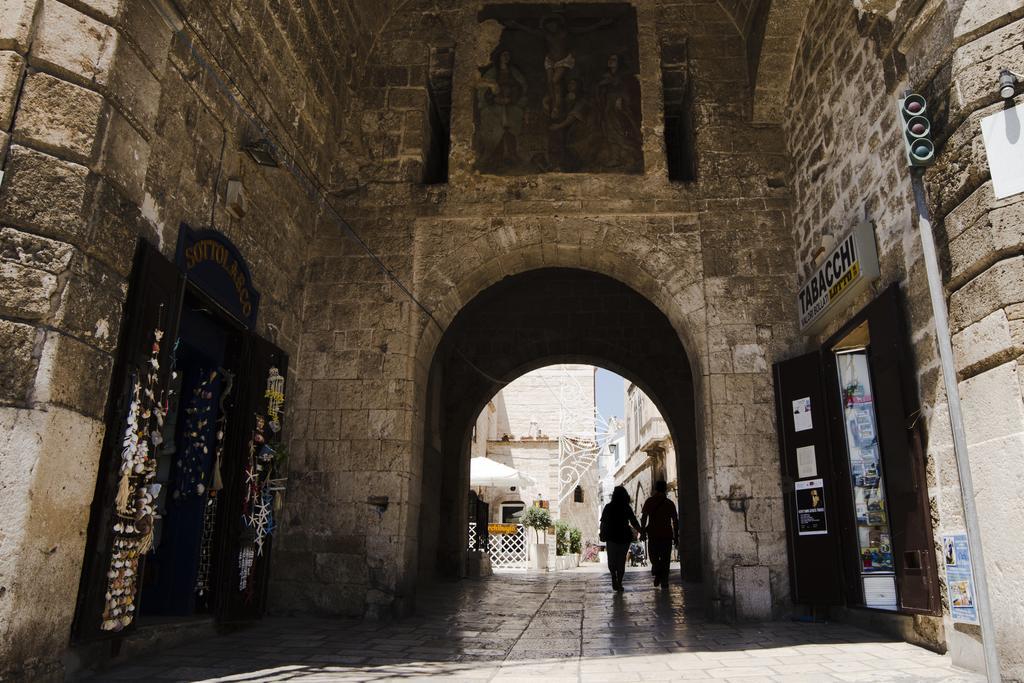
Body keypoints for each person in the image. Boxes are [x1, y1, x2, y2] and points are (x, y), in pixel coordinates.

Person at [600, 485, 642, 592]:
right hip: (624, 537)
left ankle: (614, 578)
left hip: (611, 536)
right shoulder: (626, 507)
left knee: (612, 560)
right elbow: (634, 521)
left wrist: (602, 534)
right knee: (621, 561)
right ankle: (619, 582)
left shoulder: (608, 507)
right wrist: (642, 531)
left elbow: (603, 522)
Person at [641, 480, 679, 587]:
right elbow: (675, 521)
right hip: (667, 535)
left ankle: (658, 571)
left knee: (653, 557)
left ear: (655, 489)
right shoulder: (670, 503)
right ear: (665, 489)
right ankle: (664, 581)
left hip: (653, 534)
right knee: (665, 559)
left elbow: (643, 517)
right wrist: (676, 536)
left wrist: (643, 531)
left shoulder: (649, 501)